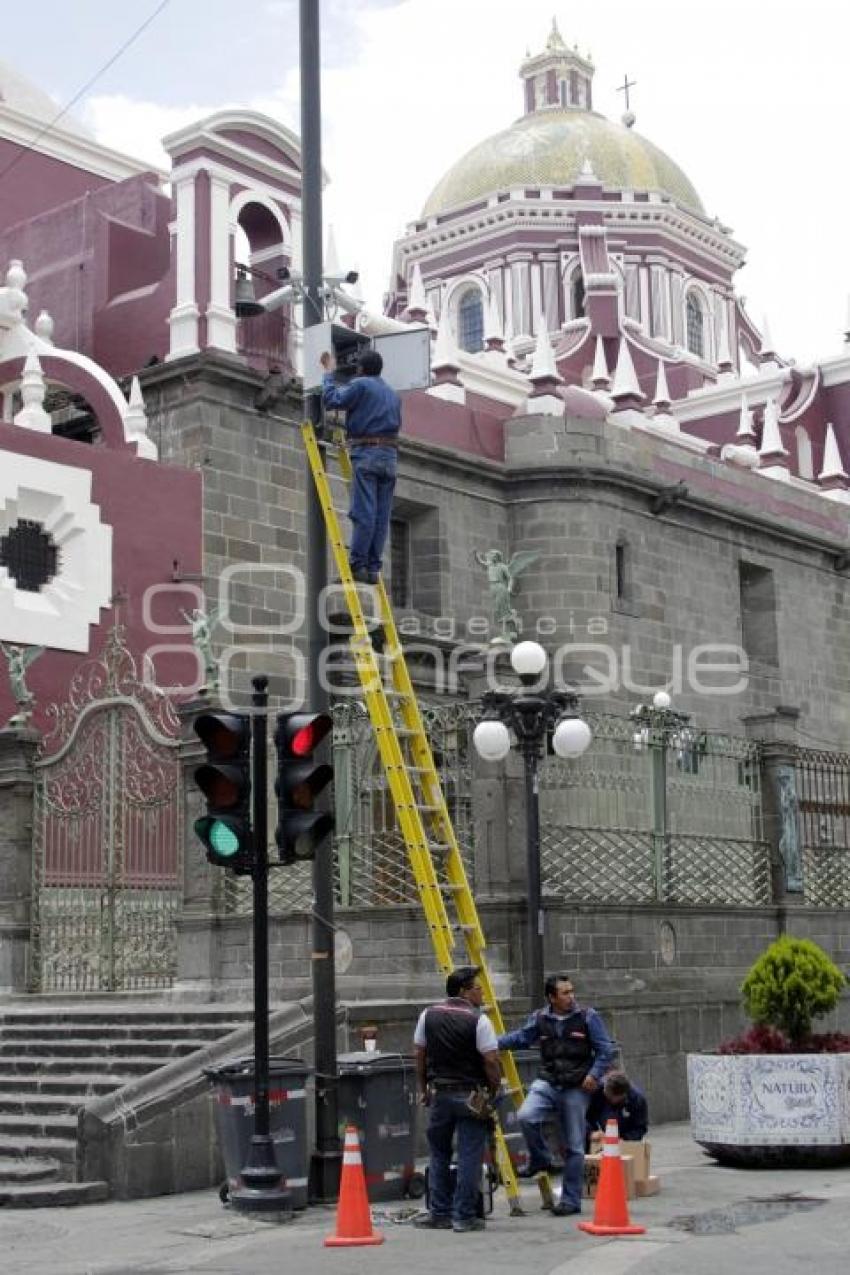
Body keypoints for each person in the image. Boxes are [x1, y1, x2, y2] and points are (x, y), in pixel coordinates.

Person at [498, 972, 614, 1217]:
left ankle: (571, 1201)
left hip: (576, 1087)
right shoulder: (539, 1018)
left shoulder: (587, 1017)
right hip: (549, 1082)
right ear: (551, 997)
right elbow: (521, 1038)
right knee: (526, 1116)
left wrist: (593, 1075)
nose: (571, 997)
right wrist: (492, 1043)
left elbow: (606, 1050)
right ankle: (541, 1159)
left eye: (571, 991)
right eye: (565, 993)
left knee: (573, 1145)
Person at [412, 965, 502, 1233]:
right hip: (471, 1095)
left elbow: (419, 1055)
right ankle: (463, 1216)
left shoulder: (428, 1015)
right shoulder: (479, 1020)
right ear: (464, 991)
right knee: (469, 1155)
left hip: (440, 1093)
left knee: (438, 1153)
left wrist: (423, 1088)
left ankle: (439, 1213)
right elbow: (491, 1061)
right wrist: (494, 1090)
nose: (482, 992)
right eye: (477, 987)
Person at [320, 348, 401, 584]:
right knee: (381, 515)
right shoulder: (393, 394)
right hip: (390, 456)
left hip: (367, 453)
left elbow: (331, 399)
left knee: (364, 511)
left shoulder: (361, 384)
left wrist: (328, 374)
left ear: (361, 369)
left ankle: (357, 565)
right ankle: (373, 568)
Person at [586, 1070, 648, 1144]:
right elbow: (584, 1117)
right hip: (602, 1135)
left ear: (623, 1095)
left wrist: (626, 1139)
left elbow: (640, 1127)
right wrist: (591, 1132)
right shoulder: (598, 1091)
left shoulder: (637, 1099)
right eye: (606, 1095)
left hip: (624, 1136)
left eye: (610, 1097)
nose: (607, 1098)